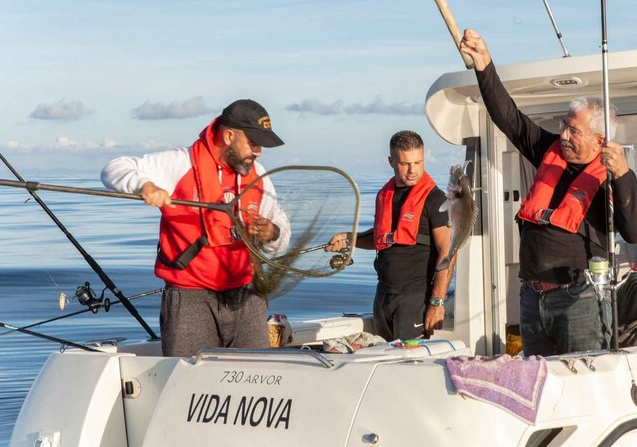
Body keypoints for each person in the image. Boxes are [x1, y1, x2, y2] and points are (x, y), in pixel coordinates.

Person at [459, 29, 637, 356]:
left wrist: (624, 176)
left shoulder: (609, 177)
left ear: (599, 141)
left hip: (579, 300)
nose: (562, 135)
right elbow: (510, 119)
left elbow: (634, 232)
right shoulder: (549, 150)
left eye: (573, 130)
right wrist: (484, 66)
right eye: (564, 125)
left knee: (583, 378)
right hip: (532, 298)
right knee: (539, 380)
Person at [101, 99, 290, 357]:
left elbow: (280, 234)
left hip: (247, 296)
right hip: (189, 299)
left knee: (255, 374)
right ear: (229, 135)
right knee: (187, 378)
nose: (258, 152)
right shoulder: (180, 163)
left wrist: (272, 233)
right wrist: (144, 186)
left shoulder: (258, 174)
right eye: (253, 143)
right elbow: (114, 168)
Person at [326, 131, 452, 341]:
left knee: (409, 365)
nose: (412, 170)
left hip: (414, 300)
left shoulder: (435, 199)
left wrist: (437, 303)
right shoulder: (385, 195)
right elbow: (380, 238)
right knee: (383, 358)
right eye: (405, 163)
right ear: (391, 161)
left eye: (418, 162)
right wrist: (350, 238)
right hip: (383, 296)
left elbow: (448, 253)